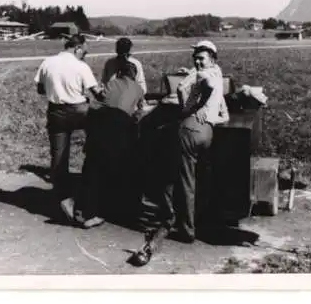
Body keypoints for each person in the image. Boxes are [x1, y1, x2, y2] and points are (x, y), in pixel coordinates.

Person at [130, 40, 229, 266]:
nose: (197, 60)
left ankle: (185, 228)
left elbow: (198, 87)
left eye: (201, 58)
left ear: (212, 59)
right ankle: (193, 216)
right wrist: (209, 114)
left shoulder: (205, 76)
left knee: (183, 180)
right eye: (195, 57)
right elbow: (220, 102)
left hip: (189, 131)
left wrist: (190, 103)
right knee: (195, 175)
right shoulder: (217, 72)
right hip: (207, 133)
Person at [60, 61, 145, 228]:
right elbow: (139, 111)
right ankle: (105, 210)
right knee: (118, 163)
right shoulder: (138, 88)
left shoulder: (111, 83)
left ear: (119, 73)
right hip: (118, 123)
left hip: (98, 120)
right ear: (134, 75)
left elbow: (101, 98)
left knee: (93, 165)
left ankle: (80, 209)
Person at [34, 34, 102, 205]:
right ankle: (92, 180)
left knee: (58, 154)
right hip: (79, 110)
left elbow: (40, 89)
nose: (84, 55)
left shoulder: (47, 62)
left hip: (56, 111)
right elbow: (97, 93)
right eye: (84, 52)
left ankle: (60, 195)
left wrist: (57, 89)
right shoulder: (81, 66)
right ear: (77, 48)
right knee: (96, 142)